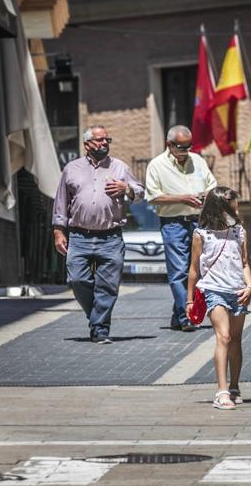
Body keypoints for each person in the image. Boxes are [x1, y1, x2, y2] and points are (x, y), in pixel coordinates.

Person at [53, 125, 144, 344]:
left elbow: (141, 193)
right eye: (99, 140)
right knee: (76, 279)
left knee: (108, 286)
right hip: (79, 236)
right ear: (87, 145)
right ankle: (96, 317)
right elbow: (60, 202)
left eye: (107, 140)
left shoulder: (119, 167)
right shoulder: (71, 169)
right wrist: (58, 231)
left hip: (110, 237)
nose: (104, 143)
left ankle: (100, 329)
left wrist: (127, 189)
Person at [186, 187, 251, 410]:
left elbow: (244, 263)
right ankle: (221, 391)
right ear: (221, 206)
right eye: (233, 203)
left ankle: (235, 387)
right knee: (223, 337)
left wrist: (250, 286)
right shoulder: (201, 234)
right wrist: (189, 301)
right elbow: (194, 269)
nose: (237, 207)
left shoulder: (239, 232)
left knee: (235, 340)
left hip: (238, 291)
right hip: (213, 289)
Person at [144, 125, 218, 332]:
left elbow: (212, 186)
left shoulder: (199, 161)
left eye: (188, 146)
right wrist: (183, 197)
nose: (185, 150)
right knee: (178, 272)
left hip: (197, 221)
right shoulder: (156, 165)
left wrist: (204, 195)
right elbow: (153, 196)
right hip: (172, 223)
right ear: (169, 144)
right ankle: (186, 316)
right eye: (180, 146)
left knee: (198, 270)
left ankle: (178, 314)